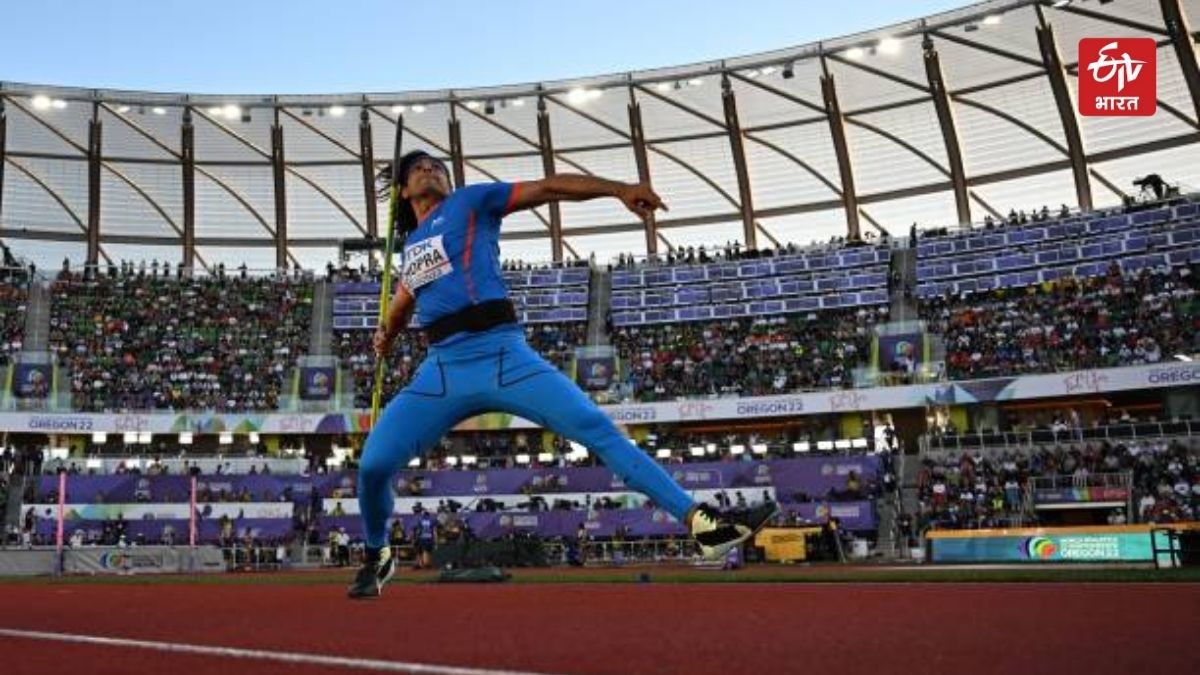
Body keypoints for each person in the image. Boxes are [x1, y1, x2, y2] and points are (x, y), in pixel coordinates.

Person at [349, 152, 777, 598]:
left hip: (503, 356)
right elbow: (401, 306)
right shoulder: (413, 246)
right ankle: (378, 553)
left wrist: (618, 189)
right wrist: (386, 336)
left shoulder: (471, 203)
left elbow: (548, 187)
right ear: (402, 191)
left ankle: (701, 523)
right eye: (418, 168)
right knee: (374, 466)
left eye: (438, 166)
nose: (430, 169)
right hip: (442, 370)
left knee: (596, 429)